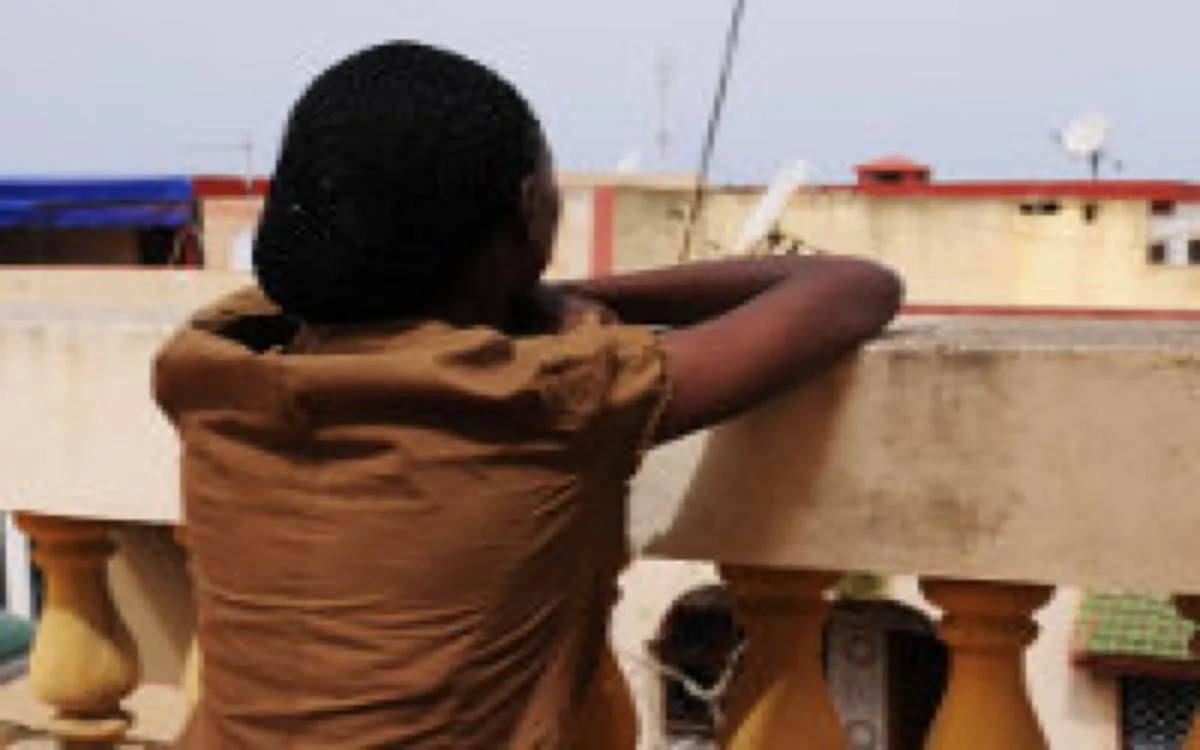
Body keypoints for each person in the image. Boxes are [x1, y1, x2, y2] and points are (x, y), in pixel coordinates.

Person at [154, 40, 901, 749]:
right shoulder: (543, 396)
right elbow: (852, 289)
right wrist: (567, 297)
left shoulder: (211, 371)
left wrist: (521, 287)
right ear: (524, 212)